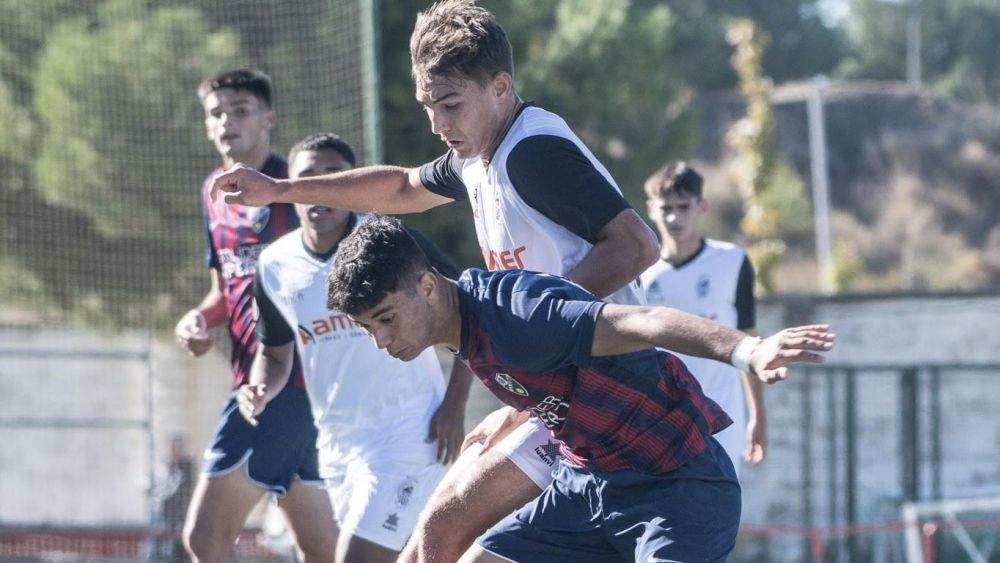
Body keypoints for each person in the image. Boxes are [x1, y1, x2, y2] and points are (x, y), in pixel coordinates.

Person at [209, 2, 659, 558]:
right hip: (553, 394)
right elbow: (401, 188)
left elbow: (637, 245)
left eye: (450, 105)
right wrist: (280, 191)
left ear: (500, 87)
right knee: (438, 536)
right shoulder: (478, 156)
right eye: (428, 107)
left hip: (605, 388)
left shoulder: (532, 152)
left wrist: (533, 324)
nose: (438, 125)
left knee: (447, 533)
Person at [324, 215, 836, 562]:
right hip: (587, 486)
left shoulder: (521, 314)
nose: (380, 341)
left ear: (427, 287)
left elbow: (646, 321)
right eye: (367, 328)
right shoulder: (464, 328)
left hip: (676, 489)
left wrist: (747, 350)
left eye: (386, 319)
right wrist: (508, 416)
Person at [235, 133, 473, 563]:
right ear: (292, 184)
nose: (321, 186)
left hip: (410, 434)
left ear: (350, 182)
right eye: (309, 175)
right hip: (337, 445)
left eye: (334, 174)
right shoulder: (274, 265)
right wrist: (259, 388)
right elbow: (274, 354)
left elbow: (468, 307)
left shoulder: (389, 241)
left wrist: (454, 405)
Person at [173, 69, 335, 563]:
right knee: (323, 551)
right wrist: (198, 320)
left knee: (205, 538)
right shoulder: (212, 192)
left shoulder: (294, 188)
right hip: (265, 385)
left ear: (269, 118)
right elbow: (224, 291)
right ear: (206, 125)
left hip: (279, 388)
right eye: (216, 113)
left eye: (240, 110)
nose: (227, 121)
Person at [641, 162, 767, 473]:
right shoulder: (640, 272)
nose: (674, 218)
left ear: (702, 207)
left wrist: (758, 416)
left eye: (683, 207)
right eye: (666, 208)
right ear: (651, 209)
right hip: (660, 426)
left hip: (722, 422)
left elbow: (748, 340)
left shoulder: (732, 261)